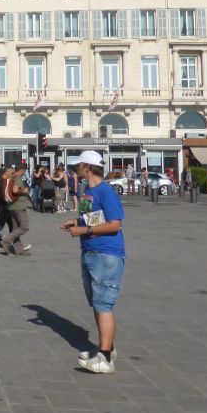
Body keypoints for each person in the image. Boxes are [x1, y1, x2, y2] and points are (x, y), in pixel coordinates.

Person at [61, 150, 125, 374]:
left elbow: (115, 224)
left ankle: (105, 359)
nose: (76, 168)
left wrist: (84, 229)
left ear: (87, 167)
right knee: (98, 303)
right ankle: (106, 347)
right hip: (90, 251)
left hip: (106, 254)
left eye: (79, 165)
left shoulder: (106, 191)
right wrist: (75, 222)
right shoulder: (89, 191)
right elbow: (94, 219)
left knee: (103, 305)